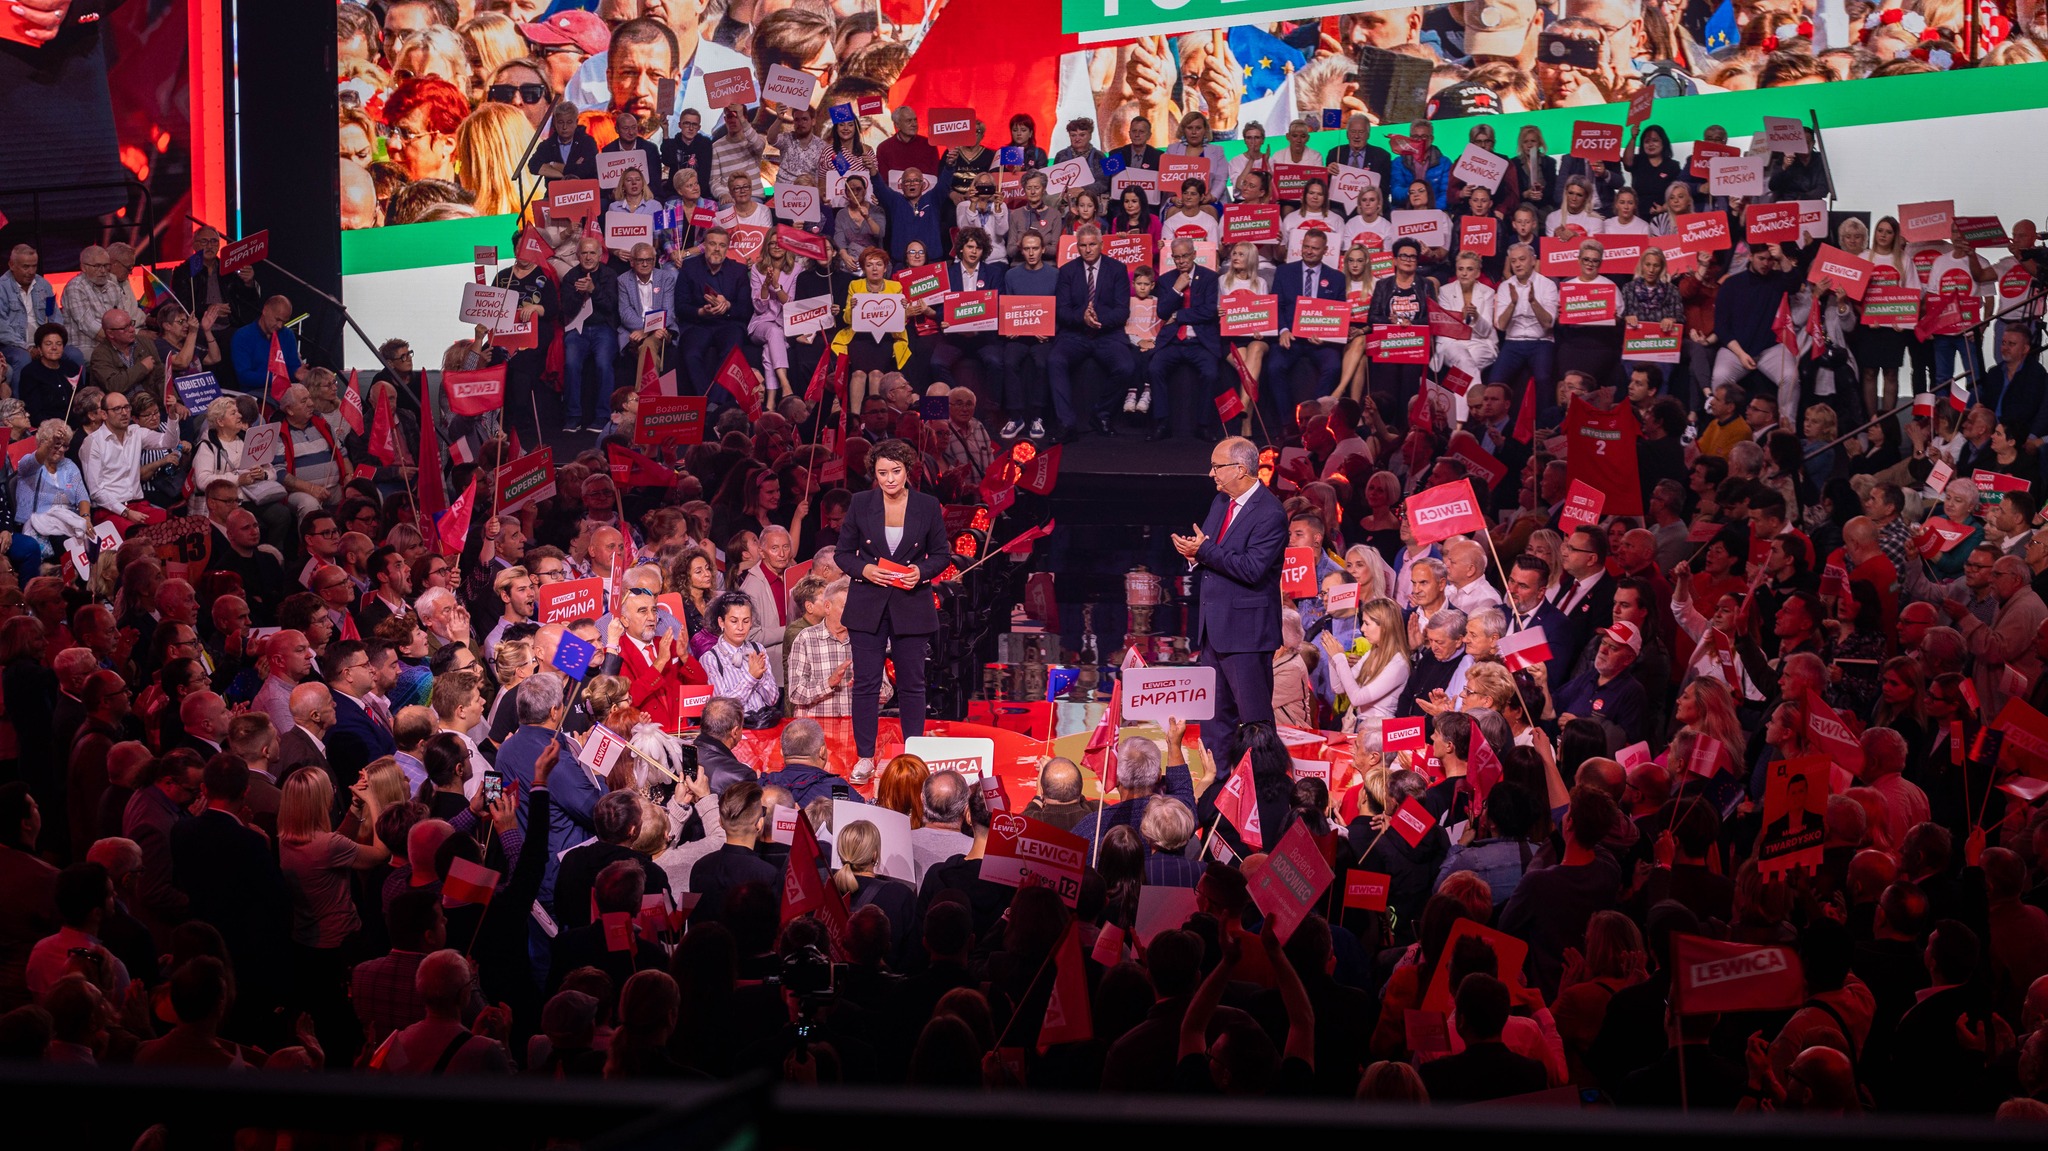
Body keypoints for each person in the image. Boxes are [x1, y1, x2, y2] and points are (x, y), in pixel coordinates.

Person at [1174, 437, 1286, 773]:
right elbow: (1210, 551)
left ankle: (1266, 792)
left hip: (1247, 638)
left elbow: (1252, 568)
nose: (1211, 474)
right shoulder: (1221, 503)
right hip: (1213, 631)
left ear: (1240, 469)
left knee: (1255, 725)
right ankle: (1216, 792)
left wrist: (1203, 552)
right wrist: (1193, 554)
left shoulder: (1270, 513)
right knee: (1214, 722)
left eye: (1216, 466)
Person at [843, 440, 951, 784]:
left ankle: (913, 755)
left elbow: (942, 555)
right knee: (866, 684)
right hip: (868, 606)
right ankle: (864, 757)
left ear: (908, 470)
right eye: (882, 473)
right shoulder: (860, 503)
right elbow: (843, 554)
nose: (889, 479)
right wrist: (865, 570)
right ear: (873, 474)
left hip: (910, 604)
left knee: (912, 684)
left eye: (896, 472)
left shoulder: (927, 505)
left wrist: (922, 572)